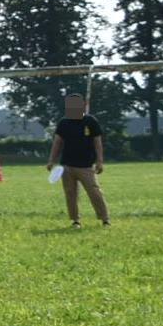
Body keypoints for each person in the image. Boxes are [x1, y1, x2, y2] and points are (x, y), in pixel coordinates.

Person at [46, 93, 110, 227]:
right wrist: (51, 160)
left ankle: (105, 219)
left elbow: (97, 142)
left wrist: (99, 161)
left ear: (83, 105)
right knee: (71, 194)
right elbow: (57, 142)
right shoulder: (64, 122)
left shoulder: (90, 121)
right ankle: (75, 220)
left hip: (86, 165)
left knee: (94, 191)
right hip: (67, 165)